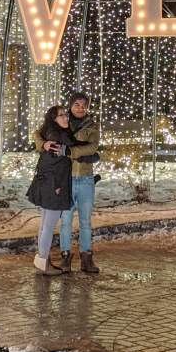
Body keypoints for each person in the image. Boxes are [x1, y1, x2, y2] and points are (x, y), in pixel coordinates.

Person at [38, 91, 100, 273]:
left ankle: (86, 257)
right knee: (65, 221)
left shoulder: (92, 126)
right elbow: (40, 133)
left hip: (86, 179)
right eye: (76, 105)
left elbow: (93, 146)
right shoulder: (62, 124)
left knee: (85, 221)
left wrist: (70, 152)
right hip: (66, 180)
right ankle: (66, 256)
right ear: (70, 106)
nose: (80, 108)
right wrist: (43, 144)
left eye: (83, 105)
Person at [27, 105, 74, 276]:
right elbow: (54, 165)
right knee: (48, 225)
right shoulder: (57, 138)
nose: (65, 118)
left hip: (47, 184)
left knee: (44, 224)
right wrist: (57, 186)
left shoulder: (50, 133)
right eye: (60, 116)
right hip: (54, 186)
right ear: (53, 119)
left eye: (65, 115)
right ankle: (43, 260)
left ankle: (42, 260)